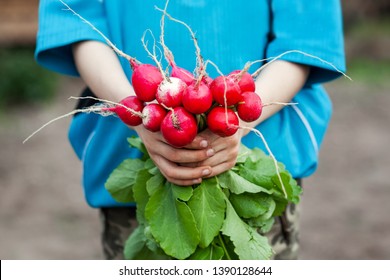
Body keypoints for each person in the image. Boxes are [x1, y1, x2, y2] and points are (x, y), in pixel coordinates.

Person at [35, 0, 346, 259]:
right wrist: (139, 114)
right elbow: (76, 18)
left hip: (265, 155)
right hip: (126, 152)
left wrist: (238, 124)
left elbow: (305, 40)